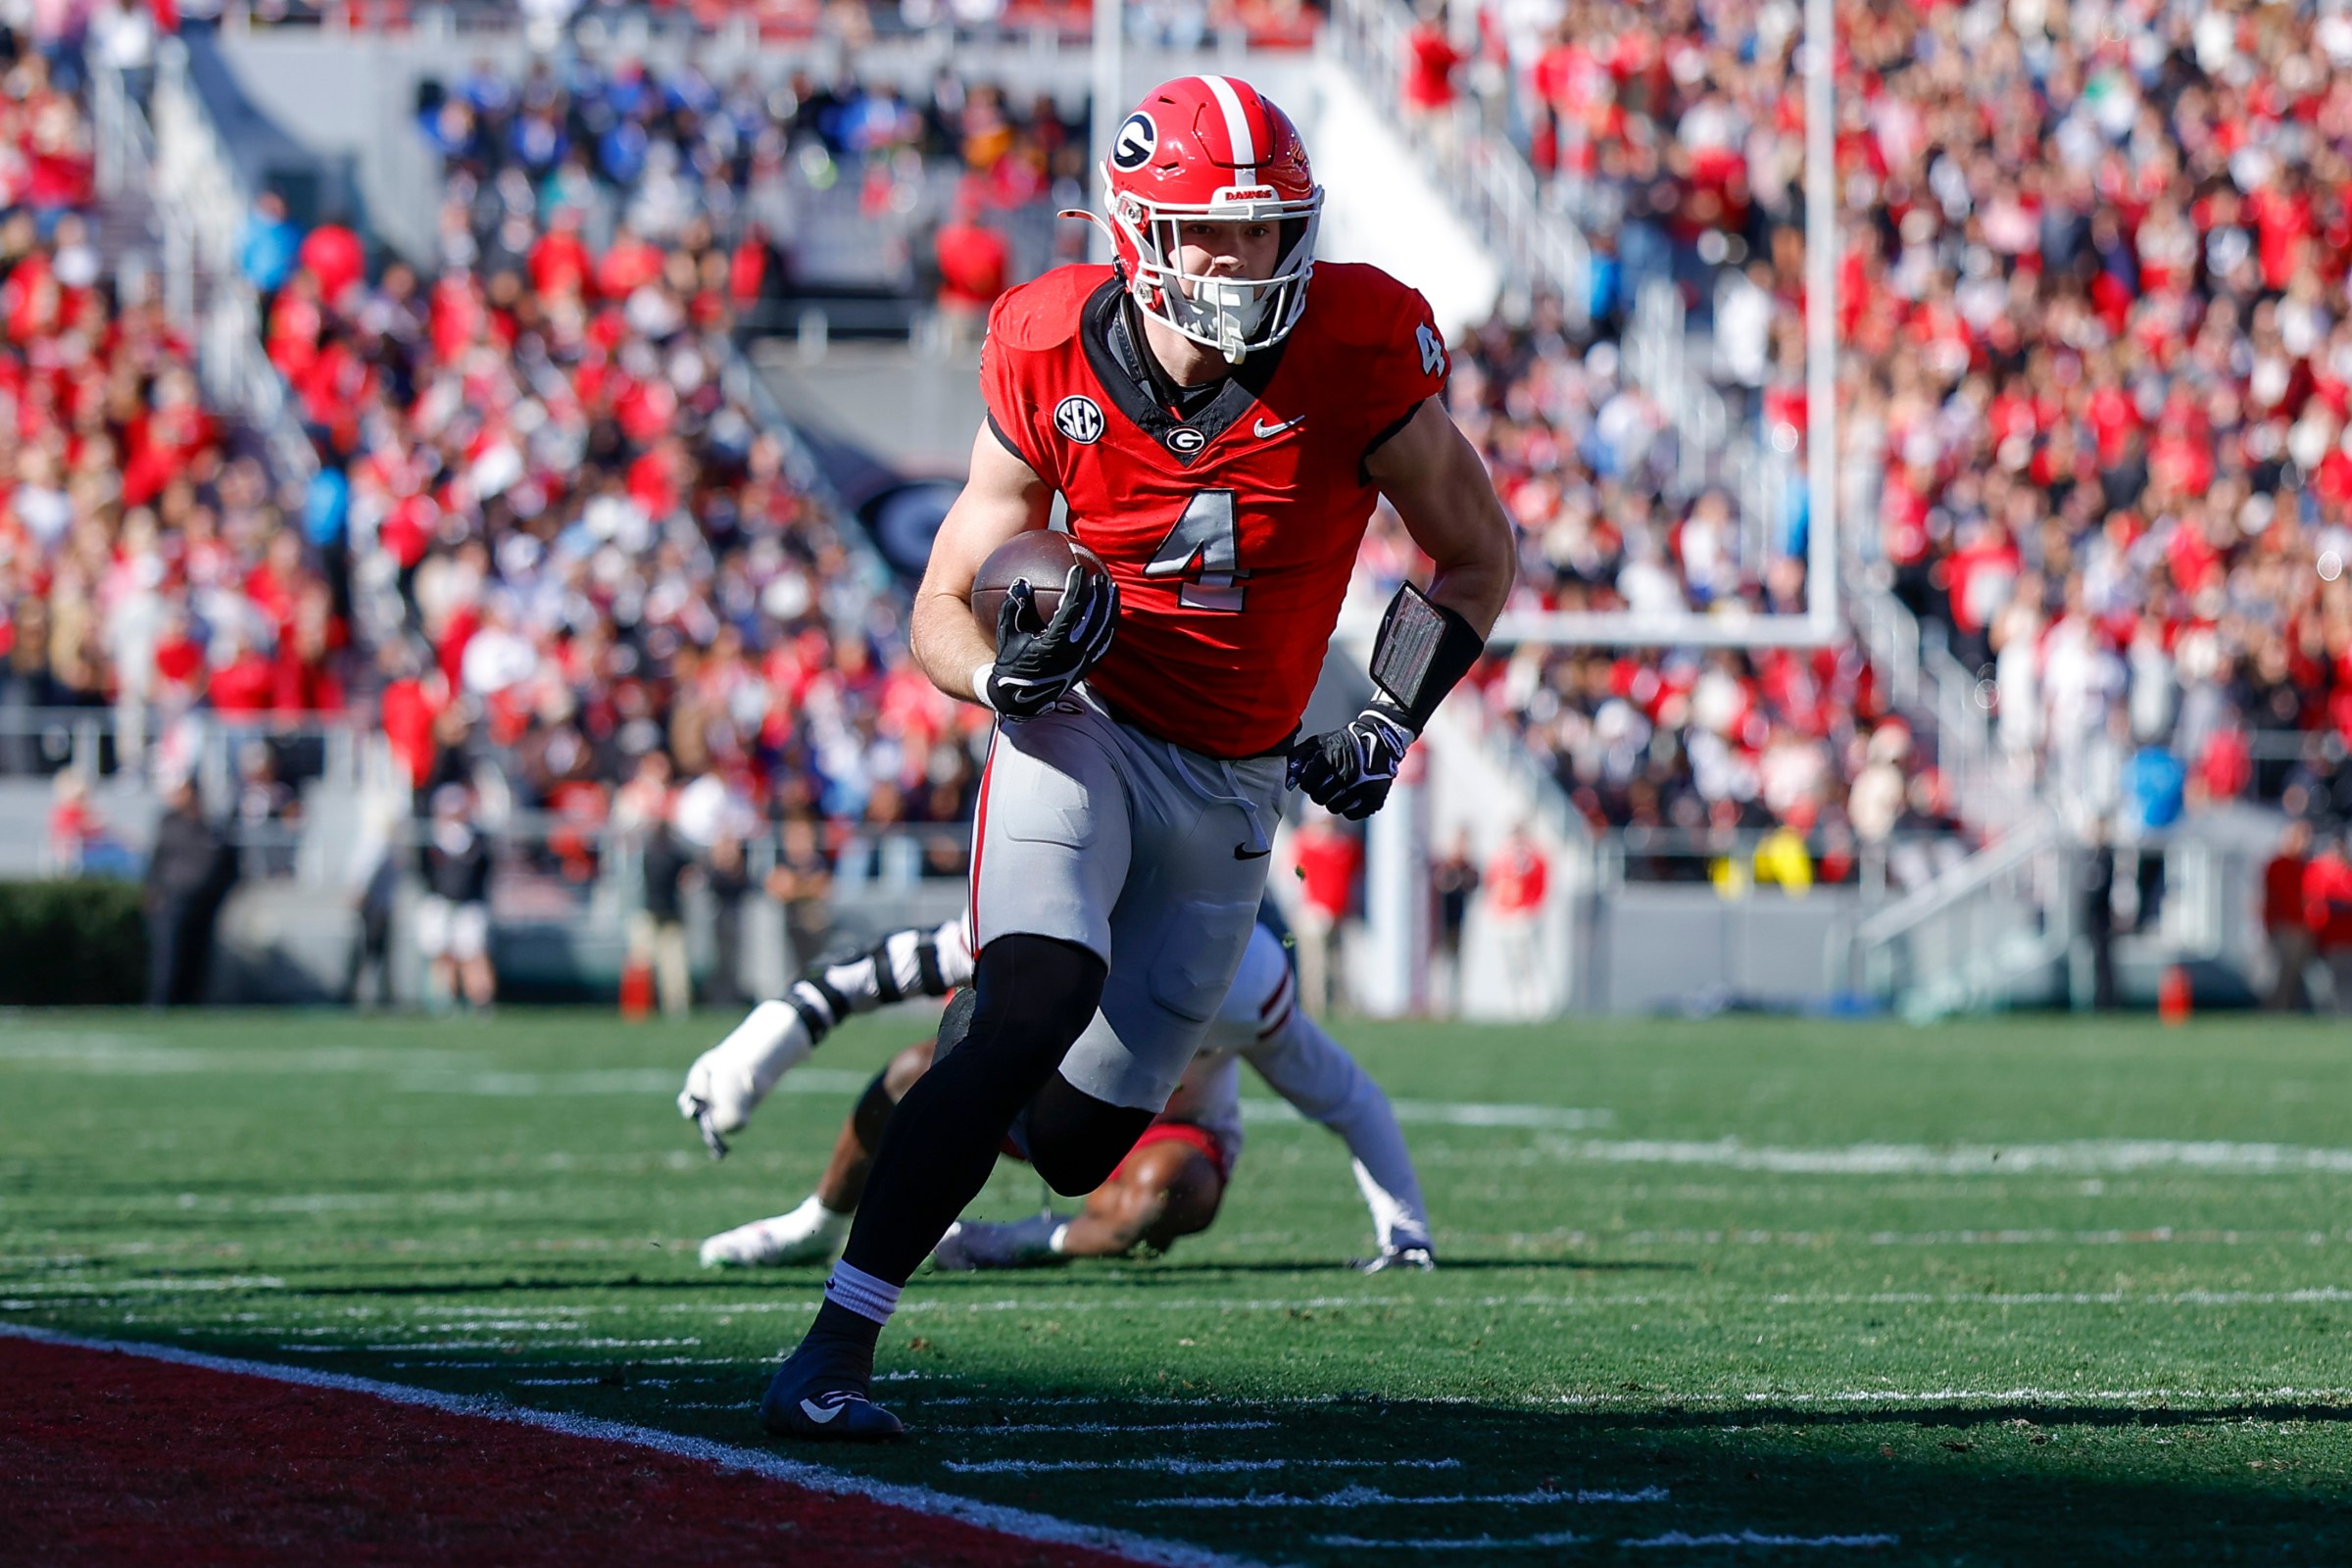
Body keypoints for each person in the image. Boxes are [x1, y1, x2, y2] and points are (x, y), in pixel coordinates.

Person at [729, 74, 1515, 1442]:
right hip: (1080, 719)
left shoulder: (1359, 340)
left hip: (1235, 777)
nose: (1243, 260)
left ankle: (951, 1087)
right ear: (1140, 232)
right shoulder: (1048, 342)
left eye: (1265, 231)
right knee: (1036, 990)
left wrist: (1388, 718)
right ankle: (837, 1348)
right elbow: (940, 600)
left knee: (1084, 1138)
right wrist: (997, 670)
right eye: (1211, 233)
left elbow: (1477, 556)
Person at [695, 910, 1433, 1274]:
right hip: (1044, 1100)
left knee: (1171, 1188)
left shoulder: (1242, 980)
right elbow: (873, 971)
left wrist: (1405, 1233)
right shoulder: (1044, 914)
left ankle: (1011, 1242)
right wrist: (755, 1052)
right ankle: (819, 1222)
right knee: (912, 1075)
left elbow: (1346, 1097)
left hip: (1164, 1130)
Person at [143, 776, 238, 1006]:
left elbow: (227, 864)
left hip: (203, 903)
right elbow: (157, 861)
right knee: (167, 956)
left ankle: (191, 1002)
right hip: (171, 900)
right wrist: (152, 890)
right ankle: (161, 1003)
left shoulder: (210, 826)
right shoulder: (169, 822)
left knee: (197, 956)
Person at [416, 784, 495, 1011]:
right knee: (441, 954)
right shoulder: (432, 838)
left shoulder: (477, 840)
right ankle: (443, 1000)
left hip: (469, 902)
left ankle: (480, 999)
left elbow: (482, 869)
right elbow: (423, 870)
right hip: (440, 901)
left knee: (473, 953)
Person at [2261, 819, 2314, 1011]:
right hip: (2284, 927)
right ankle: (2276, 1009)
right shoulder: (2278, 865)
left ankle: (2288, 1008)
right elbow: (2275, 899)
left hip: (2300, 927)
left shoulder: (2303, 864)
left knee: (2294, 974)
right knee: (2282, 974)